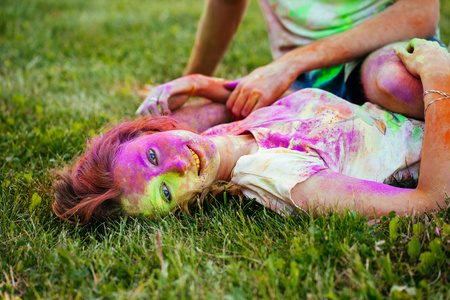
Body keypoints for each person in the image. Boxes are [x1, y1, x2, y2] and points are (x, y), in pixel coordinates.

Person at [53, 40, 449, 224]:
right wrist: (437, 76)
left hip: (402, 110)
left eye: (152, 156)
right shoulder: (282, 177)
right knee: (400, 81)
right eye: (166, 191)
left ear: (148, 131)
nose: (178, 165)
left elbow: (292, 106)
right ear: (181, 209)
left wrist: (200, 82)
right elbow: (429, 203)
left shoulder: (230, 136)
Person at [142, 0, 440, 121]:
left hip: (382, 49)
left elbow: (418, 14)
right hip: (300, 86)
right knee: (169, 128)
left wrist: (288, 65)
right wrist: (189, 81)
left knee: (398, 84)